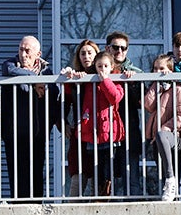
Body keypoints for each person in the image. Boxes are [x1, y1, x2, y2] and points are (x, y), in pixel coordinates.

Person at [0, 35, 55, 200]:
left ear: (38, 54)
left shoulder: (46, 71)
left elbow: (53, 95)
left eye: (27, 51)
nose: (23, 54)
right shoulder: (11, 64)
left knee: (36, 171)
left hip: (38, 131)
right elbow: (8, 70)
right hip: (13, 131)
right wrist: (35, 81)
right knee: (16, 173)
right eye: (21, 49)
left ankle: (36, 204)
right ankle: (17, 206)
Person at [144, 54, 181, 202]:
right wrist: (156, 86)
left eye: (162, 68)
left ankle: (171, 179)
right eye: (155, 69)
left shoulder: (178, 88)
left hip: (175, 137)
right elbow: (148, 105)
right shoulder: (157, 88)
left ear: (170, 70)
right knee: (163, 174)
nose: (158, 71)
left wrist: (166, 128)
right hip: (157, 140)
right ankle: (171, 190)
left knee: (171, 173)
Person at [80, 51, 126, 197]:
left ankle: (107, 193)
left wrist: (106, 81)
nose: (102, 69)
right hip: (93, 131)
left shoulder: (115, 81)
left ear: (112, 67)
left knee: (109, 165)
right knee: (96, 165)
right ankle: (99, 193)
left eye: (106, 66)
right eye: (99, 66)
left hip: (109, 132)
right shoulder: (90, 81)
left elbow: (115, 98)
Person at [106, 31, 147, 197]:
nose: (120, 51)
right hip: (104, 133)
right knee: (104, 181)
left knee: (132, 180)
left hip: (128, 131)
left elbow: (143, 102)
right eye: (116, 47)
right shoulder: (98, 70)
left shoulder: (134, 72)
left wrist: (133, 83)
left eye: (124, 48)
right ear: (107, 48)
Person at [61, 41, 100, 196]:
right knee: (78, 175)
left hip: (100, 134)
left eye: (90, 53)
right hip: (80, 134)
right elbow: (64, 102)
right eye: (83, 53)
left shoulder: (103, 75)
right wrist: (63, 123)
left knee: (99, 178)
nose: (86, 56)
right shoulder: (74, 78)